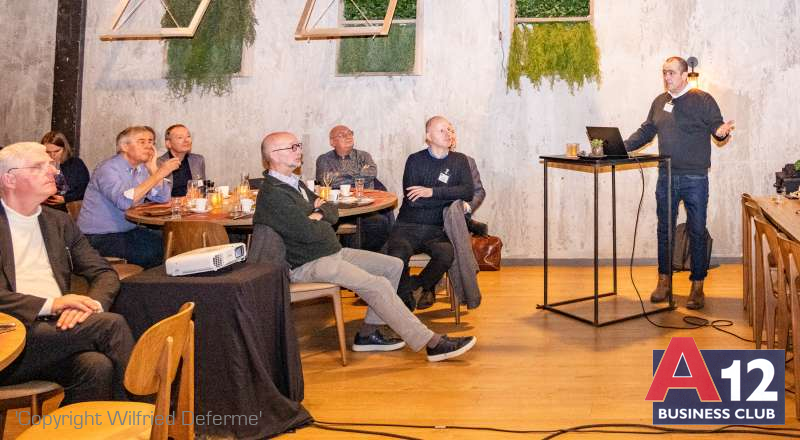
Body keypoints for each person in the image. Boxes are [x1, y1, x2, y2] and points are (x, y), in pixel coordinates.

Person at [254, 131, 476, 362]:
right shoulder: (273, 194)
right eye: (292, 147)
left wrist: (319, 213)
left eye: (298, 145)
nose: (299, 150)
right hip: (307, 263)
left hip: (331, 252)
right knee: (377, 285)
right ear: (273, 155)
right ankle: (431, 343)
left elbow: (331, 209)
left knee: (393, 265)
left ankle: (369, 333)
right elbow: (307, 232)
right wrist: (320, 214)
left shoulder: (294, 184)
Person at [0, 142, 134, 404]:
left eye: (52, 164)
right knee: (111, 325)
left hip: (56, 330)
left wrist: (90, 305)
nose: (53, 172)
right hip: (9, 334)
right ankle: (152, 420)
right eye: (40, 166)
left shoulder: (58, 221)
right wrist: (53, 303)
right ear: (9, 179)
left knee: (96, 366)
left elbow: (104, 272)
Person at [624, 56, 734, 310]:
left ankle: (697, 286)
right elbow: (646, 131)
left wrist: (721, 132)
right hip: (667, 176)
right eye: (664, 73)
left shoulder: (703, 100)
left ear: (685, 75)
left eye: (672, 73)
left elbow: (717, 127)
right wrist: (622, 147)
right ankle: (664, 282)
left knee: (696, 230)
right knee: (665, 230)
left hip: (695, 178)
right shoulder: (660, 102)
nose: (667, 77)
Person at [385, 116, 474, 311]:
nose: (448, 134)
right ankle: (404, 302)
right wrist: (449, 197)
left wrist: (431, 192)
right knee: (397, 256)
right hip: (407, 226)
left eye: (450, 130)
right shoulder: (415, 160)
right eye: (442, 130)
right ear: (428, 136)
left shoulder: (460, 161)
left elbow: (468, 191)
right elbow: (414, 201)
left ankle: (414, 285)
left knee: (446, 253)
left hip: (436, 229)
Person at [77, 126, 181, 268]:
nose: (148, 146)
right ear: (124, 146)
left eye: (151, 141)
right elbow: (124, 202)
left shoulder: (142, 168)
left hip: (128, 230)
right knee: (153, 252)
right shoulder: (107, 169)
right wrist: (159, 174)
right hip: (99, 236)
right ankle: (144, 288)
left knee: (173, 241)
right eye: (142, 142)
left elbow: (162, 198)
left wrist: (153, 169)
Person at [315, 125, 391, 251]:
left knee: (379, 222)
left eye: (349, 133)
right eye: (342, 135)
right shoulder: (324, 159)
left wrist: (341, 174)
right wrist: (359, 173)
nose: (348, 136)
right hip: (337, 208)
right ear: (332, 142)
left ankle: (365, 255)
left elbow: (371, 174)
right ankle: (343, 255)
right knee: (322, 225)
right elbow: (326, 181)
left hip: (364, 206)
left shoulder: (364, 156)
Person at [446, 122, 488, 236]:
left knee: (455, 208)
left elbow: (479, 191)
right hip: (433, 220)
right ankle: (469, 224)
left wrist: (467, 206)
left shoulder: (468, 161)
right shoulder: (426, 162)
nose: (449, 135)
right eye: (444, 131)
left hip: (459, 215)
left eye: (452, 132)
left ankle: (465, 221)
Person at [40, 130, 90, 207]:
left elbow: (85, 188)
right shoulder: (38, 166)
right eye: (48, 152)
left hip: (69, 208)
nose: (52, 155)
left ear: (65, 149)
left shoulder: (75, 164)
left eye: (57, 151)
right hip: (44, 208)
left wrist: (66, 198)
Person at [158, 124, 206, 197]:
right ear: (168, 143)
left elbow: (202, 189)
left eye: (188, 136)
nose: (186, 140)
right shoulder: (159, 163)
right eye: (180, 137)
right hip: (170, 206)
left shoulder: (198, 160)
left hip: (192, 205)